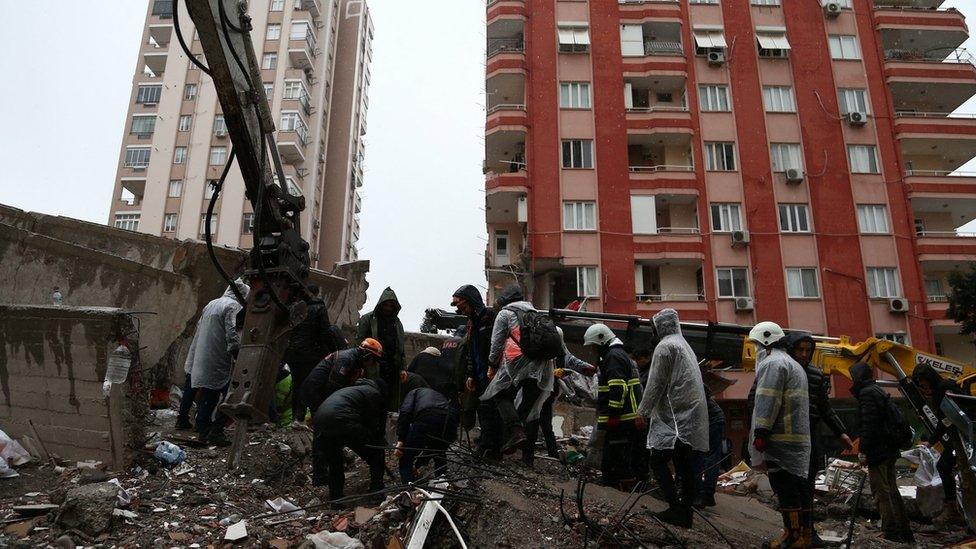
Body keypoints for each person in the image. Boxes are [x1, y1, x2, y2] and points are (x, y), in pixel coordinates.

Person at [637, 309, 708, 528]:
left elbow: (655, 384)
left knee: (658, 461)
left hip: (675, 416)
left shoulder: (665, 347)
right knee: (684, 464)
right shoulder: (683, 344)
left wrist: (643, 412)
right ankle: (685, 512)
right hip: (689, 415)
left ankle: (675, 507)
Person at [783, 332, 854, 546]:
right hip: (786, 436)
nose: (804, 354)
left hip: (810, 435)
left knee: (808, 484)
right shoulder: (781, 370)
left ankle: (808, 532)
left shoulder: (815, 374)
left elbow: (825, 408)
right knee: (789, 486)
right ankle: (792, 533)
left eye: (808, 350)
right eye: (800, 350)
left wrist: (840, 432)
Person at [748, 321, 812, 549]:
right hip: (796, 440)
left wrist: (761, 432)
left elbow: (767, 399)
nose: (755, 350)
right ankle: (804, 535)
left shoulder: (773, 364)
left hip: (781, 440)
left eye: (757, 345)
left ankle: (792, 537)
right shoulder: (791, 364)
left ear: (765, 342)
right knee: (798, 489)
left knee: (785, 490)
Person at [482, 285, 555, 463]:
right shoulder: (536, 313)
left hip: (516, 361)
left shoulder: (505, 314)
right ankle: (515, 435)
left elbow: (497, 343)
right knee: (525, 403)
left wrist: (492, 364)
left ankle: (515, 433)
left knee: (500, 394)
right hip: (540, 365)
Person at [851, 363, 915, 543]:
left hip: (878, 451)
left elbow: (869, 425)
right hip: (889, 449)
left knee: (881, 492)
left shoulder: (866, 394)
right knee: (892, 490)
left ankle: (891, 531)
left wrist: (863, 451)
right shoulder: (876, 390)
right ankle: (904, 530)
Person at [184, 280, 249, 446]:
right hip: (220, 357)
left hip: (204, 355)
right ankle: (216, 431)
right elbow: (232, 334)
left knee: (209, 394)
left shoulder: (212, 303)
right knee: (233, 395)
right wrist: (237, 353)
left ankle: (203, 429)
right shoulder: (233, 307)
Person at [584, 323, 645, 489]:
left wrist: (613, 415)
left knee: (615, 453)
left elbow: (618, 388)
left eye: (594, 346)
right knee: (619, 452)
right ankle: (620, 483)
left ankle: (616, 485)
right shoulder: (617, 354)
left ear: (601, 341)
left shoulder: (613, 357)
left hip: (622, 417)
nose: (593, 350)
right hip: (625, 416)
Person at [311, 379, 389, 498]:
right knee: (376, 452)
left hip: (321, 421)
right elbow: (375, 425)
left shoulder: (352, 391)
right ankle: (377, 490)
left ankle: (336, 498)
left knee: (335, 462)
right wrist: (378, 442)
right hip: (344, 419)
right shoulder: (374, 393)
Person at [913, 363, 968, 526]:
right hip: (959, 437)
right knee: (945, 466)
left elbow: (946, 419)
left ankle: (954, 510)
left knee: (946, 467)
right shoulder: (945, 387)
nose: (922, 386)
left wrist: (931, 441)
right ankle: (953, 508)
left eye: (922, 381)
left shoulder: (943, 390)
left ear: (928, 378)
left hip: (961, 438)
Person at [454, 285, 504, 460]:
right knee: (484, 411)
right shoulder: (472, 323)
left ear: (471, 302)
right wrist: (471, 374)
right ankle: (487, 445)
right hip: (481, 375)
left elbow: (497, 346)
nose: (462, 311)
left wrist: (492, 366)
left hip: (493, 374)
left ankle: (491, 449)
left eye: (463, 306)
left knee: (490, 411)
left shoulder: (489, 318)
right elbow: (471, 352)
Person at [284, 283, 342, 424]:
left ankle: (296, 419)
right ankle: (303, 418)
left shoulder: (295, 309)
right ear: (317, 293)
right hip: (311, 354)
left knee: (297, 385)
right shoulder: (319, 308)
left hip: (293, 354)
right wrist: (331, 351)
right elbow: (325, 333)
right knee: (310, 385)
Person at [301, 339, 383, 416]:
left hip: (320, 394)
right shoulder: (346, 359)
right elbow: (333, 386)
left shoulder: (357, 363)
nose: (373, 364)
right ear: (367, 355)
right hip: (315, 393)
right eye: (374, 360)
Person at [395, 386, 460, 484]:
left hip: (427, 415)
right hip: (449, 419)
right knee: (438, 450)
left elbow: (405, 413)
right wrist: (418, 464)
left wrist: (401, 440)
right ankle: (441, 482)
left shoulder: (412, 393)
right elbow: (431, 448)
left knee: (406, 455)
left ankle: (408, 487)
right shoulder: (435, 394)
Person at [357, 287, 405, 410]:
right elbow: (359, 343)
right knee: (372, 399)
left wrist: (403, 368)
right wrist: (359, 365)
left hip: (392, 368)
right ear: (381, 305)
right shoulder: (368, 319)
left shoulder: (397, 323)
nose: (388, 308)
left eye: (391, 305)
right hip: (373, 365)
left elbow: (401, 348)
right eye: (386, 305)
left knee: (389, 401)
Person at [696, 384, 726, 508]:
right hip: (715, 419)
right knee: (711, 457)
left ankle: (705, 494)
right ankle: (707, 494)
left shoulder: (690, 384)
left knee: (706, 457)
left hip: (711, 421)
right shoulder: (696, 383)